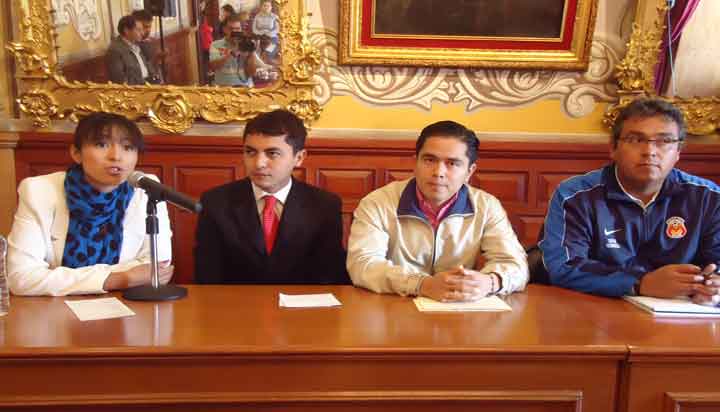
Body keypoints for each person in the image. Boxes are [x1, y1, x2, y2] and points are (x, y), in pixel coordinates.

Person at [539, 97, 720, 305]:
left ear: (678, 152)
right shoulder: (576, 196)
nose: (650, 151)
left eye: (664, 141)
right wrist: (640, 283)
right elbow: (563, 267)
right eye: (635, 140)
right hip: (597, 312)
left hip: (684, 314)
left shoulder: (709, 198)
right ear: (613, 148)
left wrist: (712, 285)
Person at [346, 120, 529, 301]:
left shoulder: (486, 206)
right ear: (415, 163)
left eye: (452, 163)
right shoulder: (377, 203)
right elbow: (362, 265)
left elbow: (516, 265)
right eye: (429, 160)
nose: (438, 172)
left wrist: (490, 282)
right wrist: (422, 284)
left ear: (469, 171)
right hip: (396, 305)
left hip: (460, 308)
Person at [7, 112, 173, 296]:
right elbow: (21, 278)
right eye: (101, 144)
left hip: (126, 304)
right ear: (76, 153)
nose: (116, 156)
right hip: (56, 308)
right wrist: (121, 278)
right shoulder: (39, 190)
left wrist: (59, 278)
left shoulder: (147, 189)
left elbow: (158, 267)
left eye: (128, 147)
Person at [194, 109, 349, 284]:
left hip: (301, 301)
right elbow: (207, 277)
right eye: (250, 152)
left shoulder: (324, 206)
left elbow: (329, 276)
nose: (259, 163)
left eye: (272, 153)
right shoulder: (216, 202)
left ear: (299, 158)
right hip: (235, 301)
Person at [106, 15, 158, 85]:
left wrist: (154, 77)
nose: (142, 33)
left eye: (142, 29)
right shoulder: (115, 50)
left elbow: (148, 65)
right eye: (138, 30)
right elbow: (119, 80)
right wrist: (144, 83)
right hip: (136, 88)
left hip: (149, 84)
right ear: (126, 30)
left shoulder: (138, 44)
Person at [209, 13, 258, 87]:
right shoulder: (216, 44)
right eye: (231, 29)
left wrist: (252, 53)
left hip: (245, 86)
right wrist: (230, 54)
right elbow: (213, 67)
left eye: (237, 29)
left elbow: (252, 73)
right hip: (224, 87)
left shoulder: (246, 44)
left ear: (241, 29)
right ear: (224, 29)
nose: (234, 32)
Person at [132, 9, 164, 83]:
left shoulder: (152, 40)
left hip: (156, 78)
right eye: (145, 27)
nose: (148, 30)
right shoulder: (133, 44)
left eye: (150, 26)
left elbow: (157, 66)